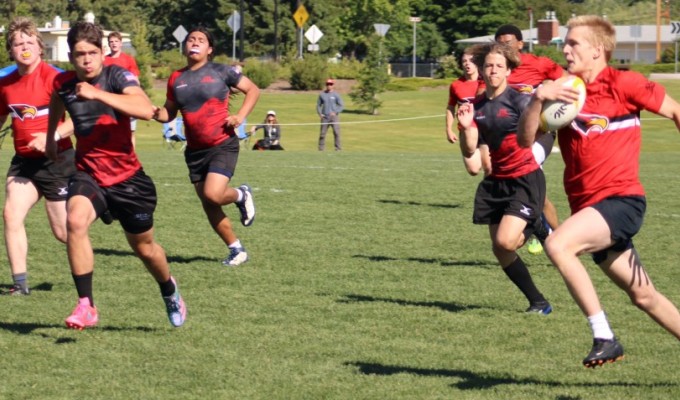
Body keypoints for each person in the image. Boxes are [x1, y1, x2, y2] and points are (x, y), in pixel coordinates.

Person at [518, 15, 680, 367]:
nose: (566, 48)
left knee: (558, 243)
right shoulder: (560, 90)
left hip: (621, 201)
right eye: (566, 43)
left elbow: (676, 112)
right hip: (590, 212)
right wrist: (536, 100)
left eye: (574, 43)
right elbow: (525, 140)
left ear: (597, 49)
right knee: (644, 296)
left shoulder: (624, 83)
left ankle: (604, 335)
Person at [46, 21, 186, 329]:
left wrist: (97, 95)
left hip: (128, 181)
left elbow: (144, 107)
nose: (86, 59)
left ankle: (168, 288)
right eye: (80, 53)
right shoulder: (64, 83)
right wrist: (50, 140)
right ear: (71, 55)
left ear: (101, 53)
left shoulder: (116, 75)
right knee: (75, 221)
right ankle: (86, 305)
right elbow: (57, 102)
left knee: (145, 249)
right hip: (88, 174)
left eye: (92, 53)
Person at [457, 42, 552, 315]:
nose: (493, 71)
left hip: (524, 179)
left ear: (509, 70)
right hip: (496, 182)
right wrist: (464, 128)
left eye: (499, 66)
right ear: (481, 70)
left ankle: (536, 224)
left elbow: (544, 130)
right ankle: (539, 302)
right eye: (488, 65)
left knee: (506, 241)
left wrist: (536, 151)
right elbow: (468, 149)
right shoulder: (474, 106)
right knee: (500, 250)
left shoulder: (521, 101)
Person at [152, 26, 260, 267]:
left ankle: (241, 194)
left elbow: (253, 90)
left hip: (222, 143)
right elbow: (168, 113)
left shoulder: (223, 71)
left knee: (214, 193)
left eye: (201, 40)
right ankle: (236, 250)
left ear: (209, 49)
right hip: (194, 151)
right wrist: (149, 111)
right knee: (209, 204)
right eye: (191, 39)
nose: (195, 42)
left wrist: (240, 116)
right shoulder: (176, 78)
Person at [0, 17, 76, 296]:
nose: (24, 47)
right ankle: (20, 285)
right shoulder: (5, 82)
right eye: (18, 43)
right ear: (11, 50)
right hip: (24, 162)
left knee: (63, 232)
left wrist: (51, 137)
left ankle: (85, 278)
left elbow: (78, 120)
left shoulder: (57, 78)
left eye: (30, 42)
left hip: (57, 160)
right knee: (11, 214)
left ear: (40, 47)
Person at [495, 24, 566, 255]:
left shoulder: (539, 64)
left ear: (519, 44)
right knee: (538, 195)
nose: (503, 46)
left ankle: (546, 233)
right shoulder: (497, 69)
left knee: (525, 179)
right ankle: (559, 236)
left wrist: (551, 97)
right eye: (499, 42)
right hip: (508, 140)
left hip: (539, 134)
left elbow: (567, 82)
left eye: (507, 41)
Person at [445, 47, 489, 176]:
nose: (467, 64)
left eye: (471, 60)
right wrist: (448, 129)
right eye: (464, 61)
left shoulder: (486, 81)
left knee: (489, 167)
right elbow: (450, 107)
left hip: (485, 129)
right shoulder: (456, 85)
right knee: (473, 170)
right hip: (466, 130)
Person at [104, 31, 140, 149]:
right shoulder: (104, 60)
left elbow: (135, 80)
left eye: (116, 41)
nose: (114, 44)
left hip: (127, 100)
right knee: (111, 131)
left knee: (130, 131)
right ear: (109, 44)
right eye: (111, 42)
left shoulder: (128, 60)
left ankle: (131, 156)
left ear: (120, 44)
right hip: (110, 101)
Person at [317, 78, 344, 151]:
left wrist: (335, 112)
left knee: (336, 133)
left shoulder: (336, 95)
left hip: (334, 117)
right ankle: (321, 149)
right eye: (328, 84)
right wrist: (320, 114)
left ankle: (338, 148)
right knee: (322, 134)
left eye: (331, 84)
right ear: (326, 85)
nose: (329, 86)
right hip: (325, 117)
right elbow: (318, 105)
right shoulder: (322, 95)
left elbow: (341, 105)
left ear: (333, 85)